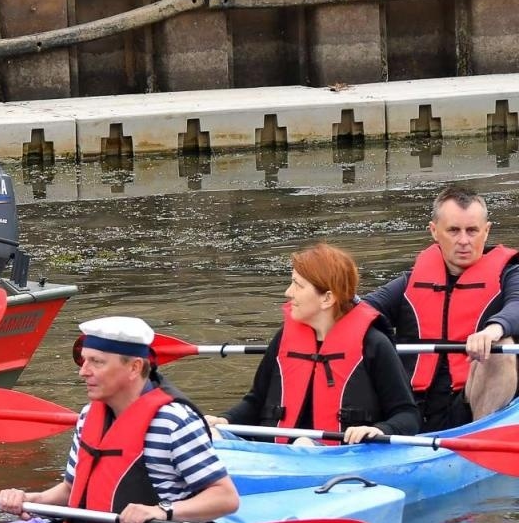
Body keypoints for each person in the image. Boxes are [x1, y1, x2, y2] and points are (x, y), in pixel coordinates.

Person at [0, 316, 239, 523]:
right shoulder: (88, 415)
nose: (83, 371)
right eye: (84, 360)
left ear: (134, 367)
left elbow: (225, 498)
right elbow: (71, 489)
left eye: (96, 362)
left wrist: (161, 511)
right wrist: (33, 500)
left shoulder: (172, 421)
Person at [211, 244, 419, 443]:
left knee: (304, 443)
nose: (288, 292)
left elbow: (407, 415)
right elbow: (255, 402)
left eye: (298, 285)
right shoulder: (283, 338)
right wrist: (225, 420)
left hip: (340, 455)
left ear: (327, 298)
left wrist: (380, 430)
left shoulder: (374, 345)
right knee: (211, 434)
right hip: (274, 453)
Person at [362, 187, 519, 430]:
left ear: (486, 231)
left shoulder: (509, 275)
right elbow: (361, 311)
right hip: (413, 408)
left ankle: (481, 437)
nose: (464, 241)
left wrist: (494, 329)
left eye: (472, 230)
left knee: (501, 345)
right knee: (360, 330)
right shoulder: (410, 283)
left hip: (471, 404)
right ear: (434, 231)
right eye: (454, 230)